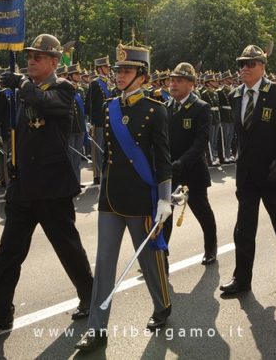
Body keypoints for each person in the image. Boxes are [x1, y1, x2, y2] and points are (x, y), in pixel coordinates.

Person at [0, 34, 93, 337]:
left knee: (68, 248)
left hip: (52, 189)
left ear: (54, 62)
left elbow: (46, 104)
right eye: (29, 56)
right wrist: (15, 163)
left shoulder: (63, 89)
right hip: (23, 187)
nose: (31, 61)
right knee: (8, 253)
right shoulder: (25, 92)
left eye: (38, 57)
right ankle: (0, 313)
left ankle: (91, 297)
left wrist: (22, 84)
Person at [76, 42, 173, 352]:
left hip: (141, 196)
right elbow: (109, 156)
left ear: (142, 76)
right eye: (118, 71)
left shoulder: (156, 110)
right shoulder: (109, 107)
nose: (119, 76)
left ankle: (162, 305)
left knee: (147, 259)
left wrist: (164, 199)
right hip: (111, 196)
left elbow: (163, 159)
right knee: (104, 263)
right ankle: (97, 329)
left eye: (126, 71)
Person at [219, 44, 276, 296]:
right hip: (247, 176)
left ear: (263, 67)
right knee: (243, 229)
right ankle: (242, 279)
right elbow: (241, 135)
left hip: (275, 174)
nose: (244, 68)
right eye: (241, 64)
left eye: (250, 63)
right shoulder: (235, 95)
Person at [162, 62, 217, 265]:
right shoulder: (165, 107)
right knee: (164, 214)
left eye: (179, 81)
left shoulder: (201, 107)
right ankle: (161, 253)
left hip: (192, 171)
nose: (173, 84)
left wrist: (182, 162)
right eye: (172, 80)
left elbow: (201, 142)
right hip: (169, 171)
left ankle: (210, 248)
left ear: (191, 84)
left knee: (202, 212)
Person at [88, 56, 112, 184]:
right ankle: (97, 174)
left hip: (107, 120)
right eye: (106, 67)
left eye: (108, 66)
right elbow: (90, 103)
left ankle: (105, 171)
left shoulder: (107, 83)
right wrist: (91, 121)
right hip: (98, 121)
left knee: (106, 147)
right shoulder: (95, 83)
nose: (108, 68)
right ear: (99, 68)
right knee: (97, 149)